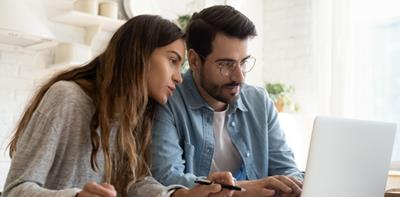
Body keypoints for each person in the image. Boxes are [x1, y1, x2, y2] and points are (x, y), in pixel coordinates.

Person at [2, 15, 235, 197]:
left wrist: (180, 194)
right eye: (172, 61)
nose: (178, 77)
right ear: (140, 55)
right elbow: (15, 190)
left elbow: (133, 183)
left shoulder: (135, 115)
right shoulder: (67, 98)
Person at [151, 5, 304, 197]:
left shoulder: (259, 101)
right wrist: (244, 190)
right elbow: (167, 177)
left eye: (244, 62)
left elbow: (287, 168)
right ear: (195, 60)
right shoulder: (169, 101)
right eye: (226, 64)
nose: (240, 77)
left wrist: (295, 186)